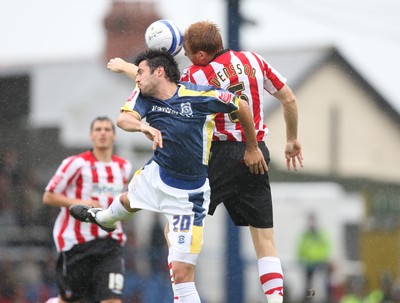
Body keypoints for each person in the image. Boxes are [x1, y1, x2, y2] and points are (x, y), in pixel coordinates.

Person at [106, 20, 303, 303]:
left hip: (219, 156)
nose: (184, 55)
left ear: (199, 55)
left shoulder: (197, 75)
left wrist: (126, 66)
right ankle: (275, 300)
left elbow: (161, 87)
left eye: (186, 50)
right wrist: (292, 139)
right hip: (257, 152)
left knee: (174, 223)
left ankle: (181, 292)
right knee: (264, 240)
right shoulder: (253, 59)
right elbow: (289, 99)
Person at [70, 49, 266, 303]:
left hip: (188, 198)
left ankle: (104, 218)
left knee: (182, 273)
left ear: (159, 71)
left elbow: (241, 105)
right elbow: (123, 119)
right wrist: (144, 126)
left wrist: (252, 147)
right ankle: (104, 218)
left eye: (140, 72)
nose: (137, 78)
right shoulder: (144, 96)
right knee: (129, 200)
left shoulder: (198, 95)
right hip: (156, 175)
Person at [42, 116, 132, 303]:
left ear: (114, 136)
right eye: (98, 129)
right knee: (72, 300)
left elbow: (122, 204)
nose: (102, 133)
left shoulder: (124, 167)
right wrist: (80, 203)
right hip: (78, 243)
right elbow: (48, 196)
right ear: (91, 135)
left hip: (110, 245)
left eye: (107, 129)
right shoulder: (76, 163)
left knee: (112, 300)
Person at [297, 213, 331, 300]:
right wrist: (301, 259)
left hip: (319, 265)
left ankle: (321, 299)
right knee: (309, 286)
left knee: (319, 285)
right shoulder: (306, 235)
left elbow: (325, 247)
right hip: (309, 265)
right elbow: (301, 248)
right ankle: (310, 299)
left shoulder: (320, 235)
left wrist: (322, 259)